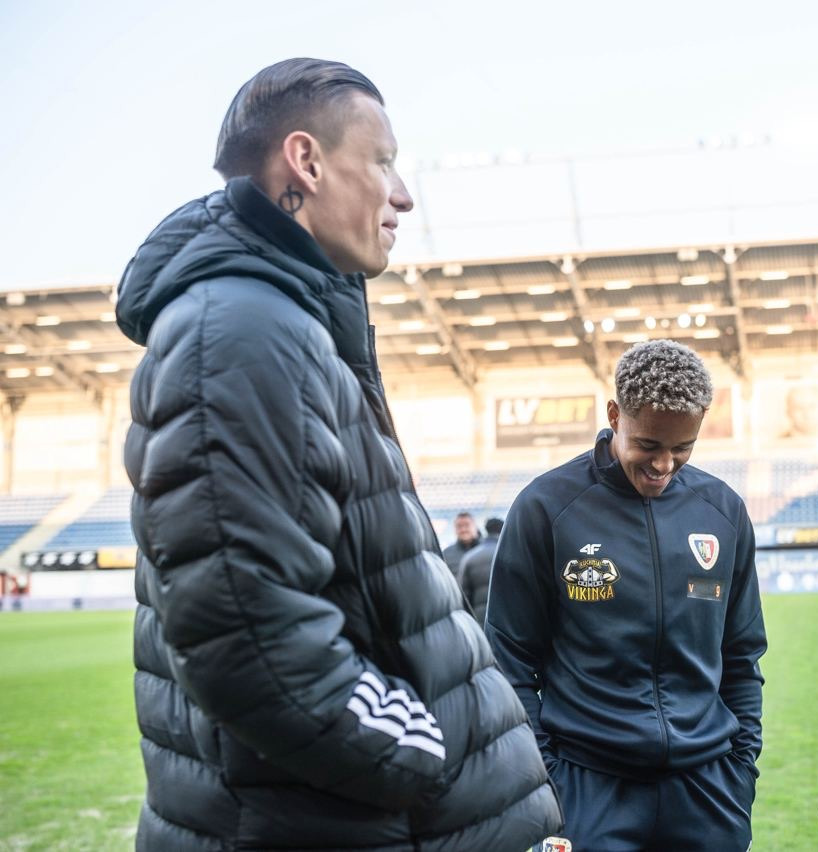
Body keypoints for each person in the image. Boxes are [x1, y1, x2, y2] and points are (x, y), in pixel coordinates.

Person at [116, 58, 560, 850]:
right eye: (383, 161)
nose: (402, 194)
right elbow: (250, 642)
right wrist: (428, 756)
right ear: (306, 162)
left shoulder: (283, 320)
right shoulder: (243, 332)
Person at [486, 339, 767, 850]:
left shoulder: (722, 511)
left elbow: (742, 655)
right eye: (649, 445)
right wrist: (549, 779)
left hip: (708, 792)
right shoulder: (546, 507)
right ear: (615, 415)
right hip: (586, 788)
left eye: (683, 448)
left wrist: (739, 771)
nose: (664, 464)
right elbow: (509, 661)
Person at [458, 516, 503, 624]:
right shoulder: (511, 554)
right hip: (507, 619)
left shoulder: (469, 557)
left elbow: (463, 596)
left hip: (480, 620)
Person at [442, 511, 483, 578]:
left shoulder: (486, 550)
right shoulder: (446, 555)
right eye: (459, 526)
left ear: (475, 527)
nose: (463, 529)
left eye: (467, 525)